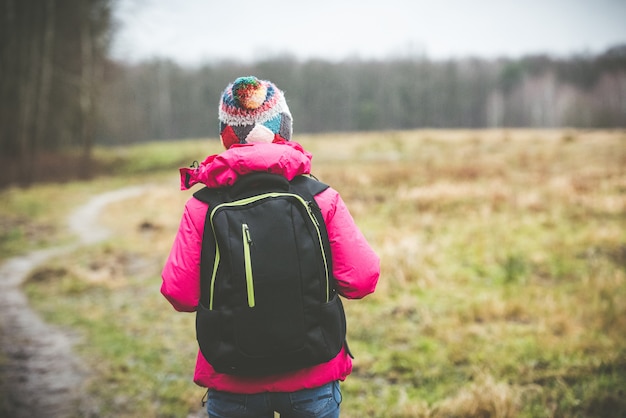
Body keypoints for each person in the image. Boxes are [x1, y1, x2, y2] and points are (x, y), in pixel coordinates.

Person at [161, 76, 380, 418]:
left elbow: (180, 294)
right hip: (313, 375)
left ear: (227, 135)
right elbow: (362, 280)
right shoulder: (321, 198)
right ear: (283, 128)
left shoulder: (202, 206)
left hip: (232, 377)